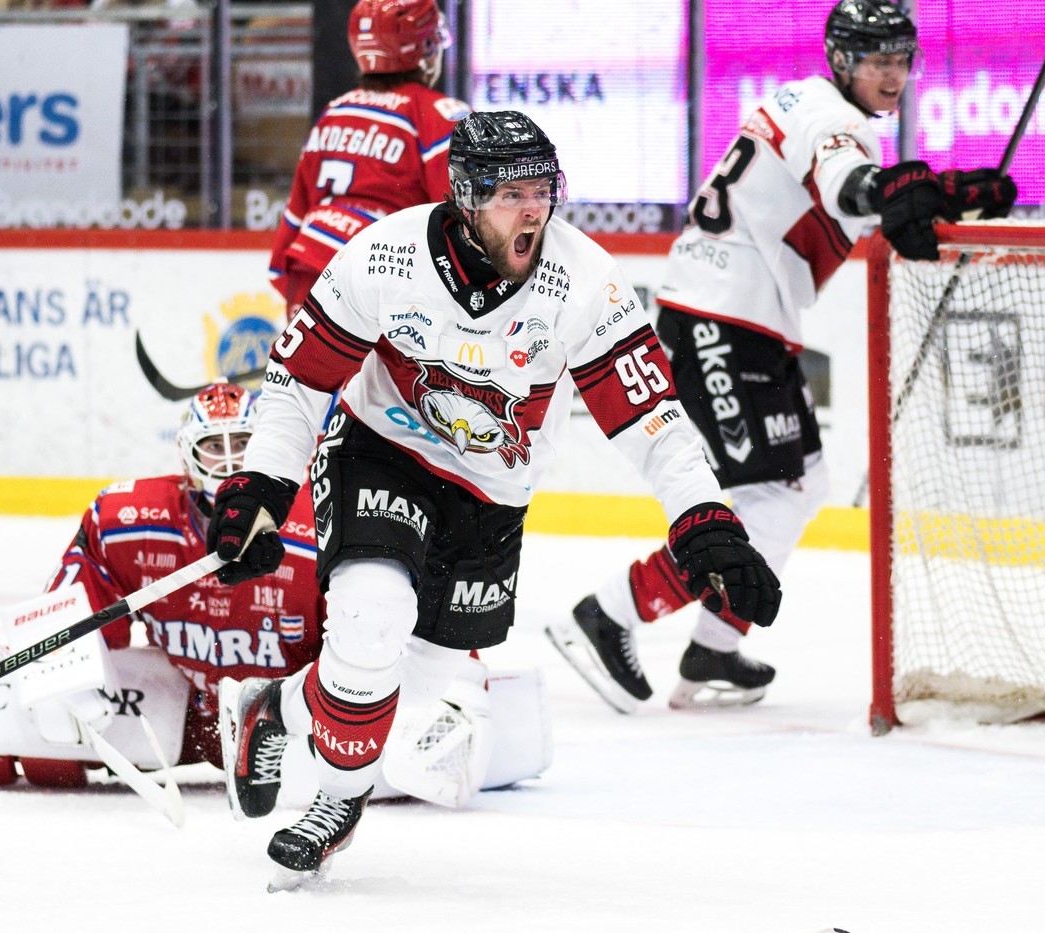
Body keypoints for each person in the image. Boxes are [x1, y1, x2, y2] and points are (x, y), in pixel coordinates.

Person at [205, 109, 782, 886]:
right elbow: (301, 378)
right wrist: (262, 481)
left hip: (493, 493)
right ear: (468, 197)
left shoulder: (582, 281)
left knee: (413, 684)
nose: (534, 208)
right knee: (370, 618)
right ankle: (338, 803)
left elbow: (653, 415)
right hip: (385, 455)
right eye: (513, 192)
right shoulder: (385, 256)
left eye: (544, 188)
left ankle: (276, 710)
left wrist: (703, 515)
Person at [547, 0, 1018, 713]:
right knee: (773, 493)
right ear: (842, 60)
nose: (893, 76)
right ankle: (612, 611)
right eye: (877, 60)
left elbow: (866, 199)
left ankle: (713, 644)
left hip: (741, 316)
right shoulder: (833, 119)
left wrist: (938, 192)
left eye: (901, 60)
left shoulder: (807, 103)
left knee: (801, 486)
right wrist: (900, 191)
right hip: (718, 316)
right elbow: (851, 184)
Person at [0, 383, 550, 812]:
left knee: (425, 758)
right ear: (186, 456)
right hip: (188, 708)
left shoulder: (321, 522)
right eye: (215, 447)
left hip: (298, 718)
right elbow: (74, 597)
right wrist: (60, 672)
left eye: (244, 443)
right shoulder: (127, 517)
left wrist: (458, 688)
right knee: (37, 734)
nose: (231, 461)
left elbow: (395, 625)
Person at [268, 0, 470, 315]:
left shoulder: (336, 111)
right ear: (427, 50)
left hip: (308, 263)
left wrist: (286, 276)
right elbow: (460, 218)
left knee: (304, 366)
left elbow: (296, 212)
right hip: (380, 275)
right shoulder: (439, 115)